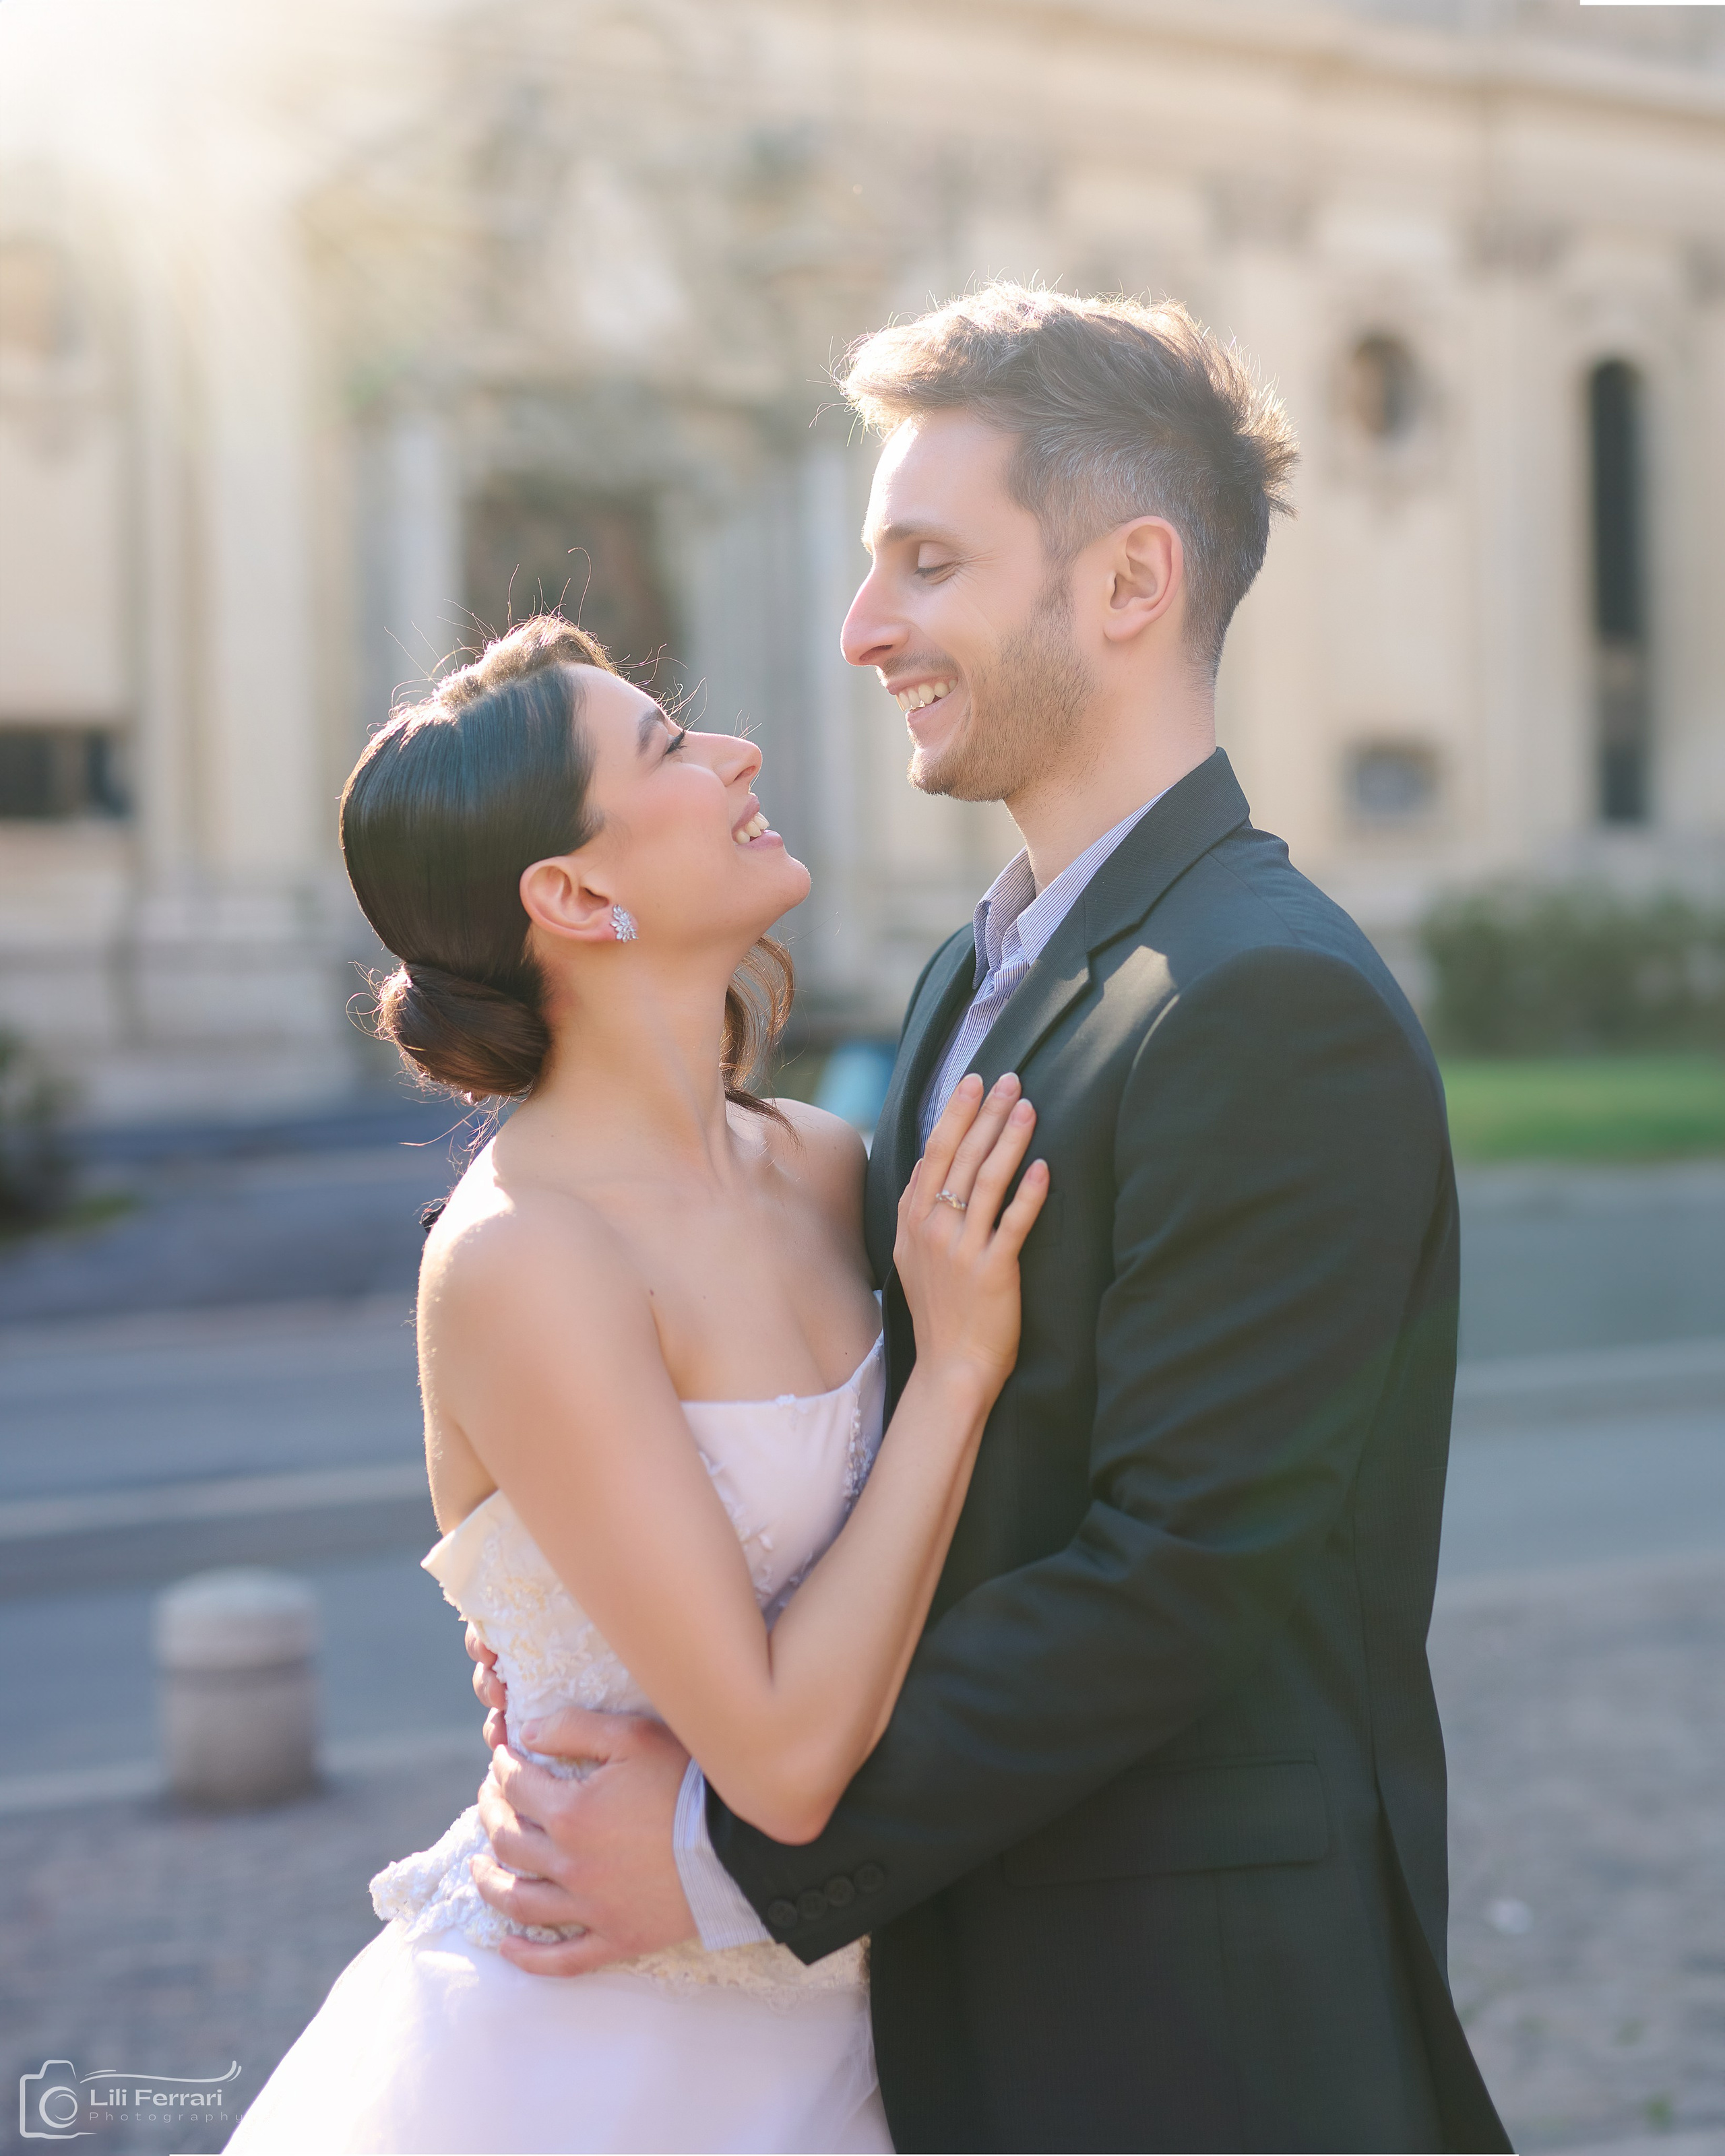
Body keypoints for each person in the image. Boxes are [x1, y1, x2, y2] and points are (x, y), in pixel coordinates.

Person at [465, 286, 1512, 2153]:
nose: (864, 632)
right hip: (947, 2008)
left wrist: (714, 1858)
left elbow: (1175, 1578)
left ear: (1126, 586)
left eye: (927, 564)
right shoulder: (974, 976)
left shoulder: (1271, 1003)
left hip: (1188, 2036)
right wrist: (595, 1652)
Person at [224, 614, 1049, 2155]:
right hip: (598, 2064)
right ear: (577, 894)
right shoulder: (525, 1259)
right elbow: (786, 1763)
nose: (737, 754)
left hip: (879, 2029)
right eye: (670, 749)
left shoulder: (827, 1167)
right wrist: (956, 1373)